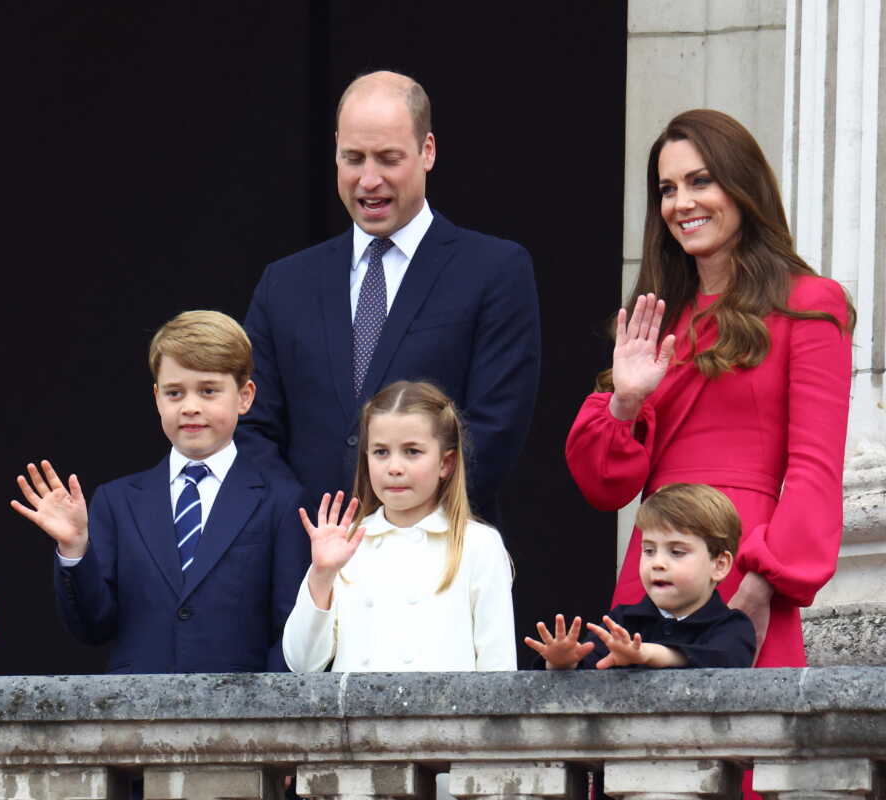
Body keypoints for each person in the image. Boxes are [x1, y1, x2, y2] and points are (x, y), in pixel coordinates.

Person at [566, 109, 855, 669]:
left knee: (742, 751)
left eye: (701, 181)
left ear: (743, 187)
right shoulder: (658, 316)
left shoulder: (810, 302)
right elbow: (604, 488)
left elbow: (815, 468)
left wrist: (766, 579)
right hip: (654, 569)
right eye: (668, 190)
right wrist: (624, 401)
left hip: (744, 561)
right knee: (645, 752)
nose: (682, 203)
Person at [239, 70, 540, 530]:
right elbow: (254, 425)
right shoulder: (284, 282)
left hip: (437, 560)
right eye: (353, 158)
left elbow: (493, 429)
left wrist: (400, 527)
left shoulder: (494, 271)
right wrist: (305, 520)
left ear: (428, 151)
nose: (369, 179)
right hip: (310, 559)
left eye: (388, 158)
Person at [12, 310, 310, 673]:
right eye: (174, 393)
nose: (190, 407)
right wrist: (75, 550)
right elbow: (92, 626)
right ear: (156, 398)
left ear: (245, 397)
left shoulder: (281, 501)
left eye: (209, 391)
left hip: (241, 721)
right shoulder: (117, 502)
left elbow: (291, 630)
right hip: (134, 719)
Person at [283, 380, 515, 672]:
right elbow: (302, 664)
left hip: (444, 718)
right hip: (356, 717)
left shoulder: (478, 544)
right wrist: (322, 575)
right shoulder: (348, 543)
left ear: (446, 463)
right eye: (381, 452)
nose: (394, 467)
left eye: (412, 451)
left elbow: (499, 668)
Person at [527, 483, 754, 670]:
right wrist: (563, 662)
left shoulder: (733, 625)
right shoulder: (623, 621)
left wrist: (649, 653)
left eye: (677, 552)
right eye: (649, 550)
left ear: (719, 564)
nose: (657, 563)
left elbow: (725, 661)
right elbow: (589, 666)